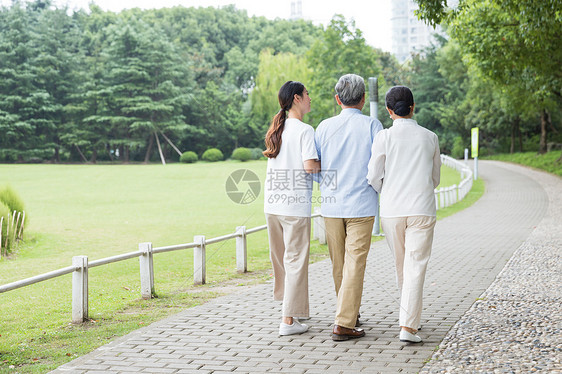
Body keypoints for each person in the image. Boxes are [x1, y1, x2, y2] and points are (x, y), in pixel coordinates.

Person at [366, 85, 441, 343]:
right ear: (413, 107)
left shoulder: (383, 137)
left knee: (403, 266)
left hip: (392, 210)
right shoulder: (430, 137)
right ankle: (408, 326)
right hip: (422, 209)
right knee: (415, 266)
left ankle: (409, 320)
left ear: (389, 111)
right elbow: (436, 178)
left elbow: (373, 176)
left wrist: (386, 190)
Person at [314, 74, 383, 341]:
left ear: (337, 99)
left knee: (339, 263)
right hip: (361, 204)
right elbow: (379, 163)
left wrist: (328, 186)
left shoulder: (323, 126)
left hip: (331, 205)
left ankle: (347, 314)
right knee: (355, 263)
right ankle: (344, 322)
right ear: (363, 99)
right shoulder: (372, 125)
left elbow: (314, 166)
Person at [263, 80, 320, 336]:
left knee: (283, 261)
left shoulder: (277, 128)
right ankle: (288, 321)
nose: (310, 98)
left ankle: (291, 311)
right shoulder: (305, 130)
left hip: (272, 206)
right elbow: (310, 167)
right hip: (294, 207)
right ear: (297, 98)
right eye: (307, 94)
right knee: (295, 261)